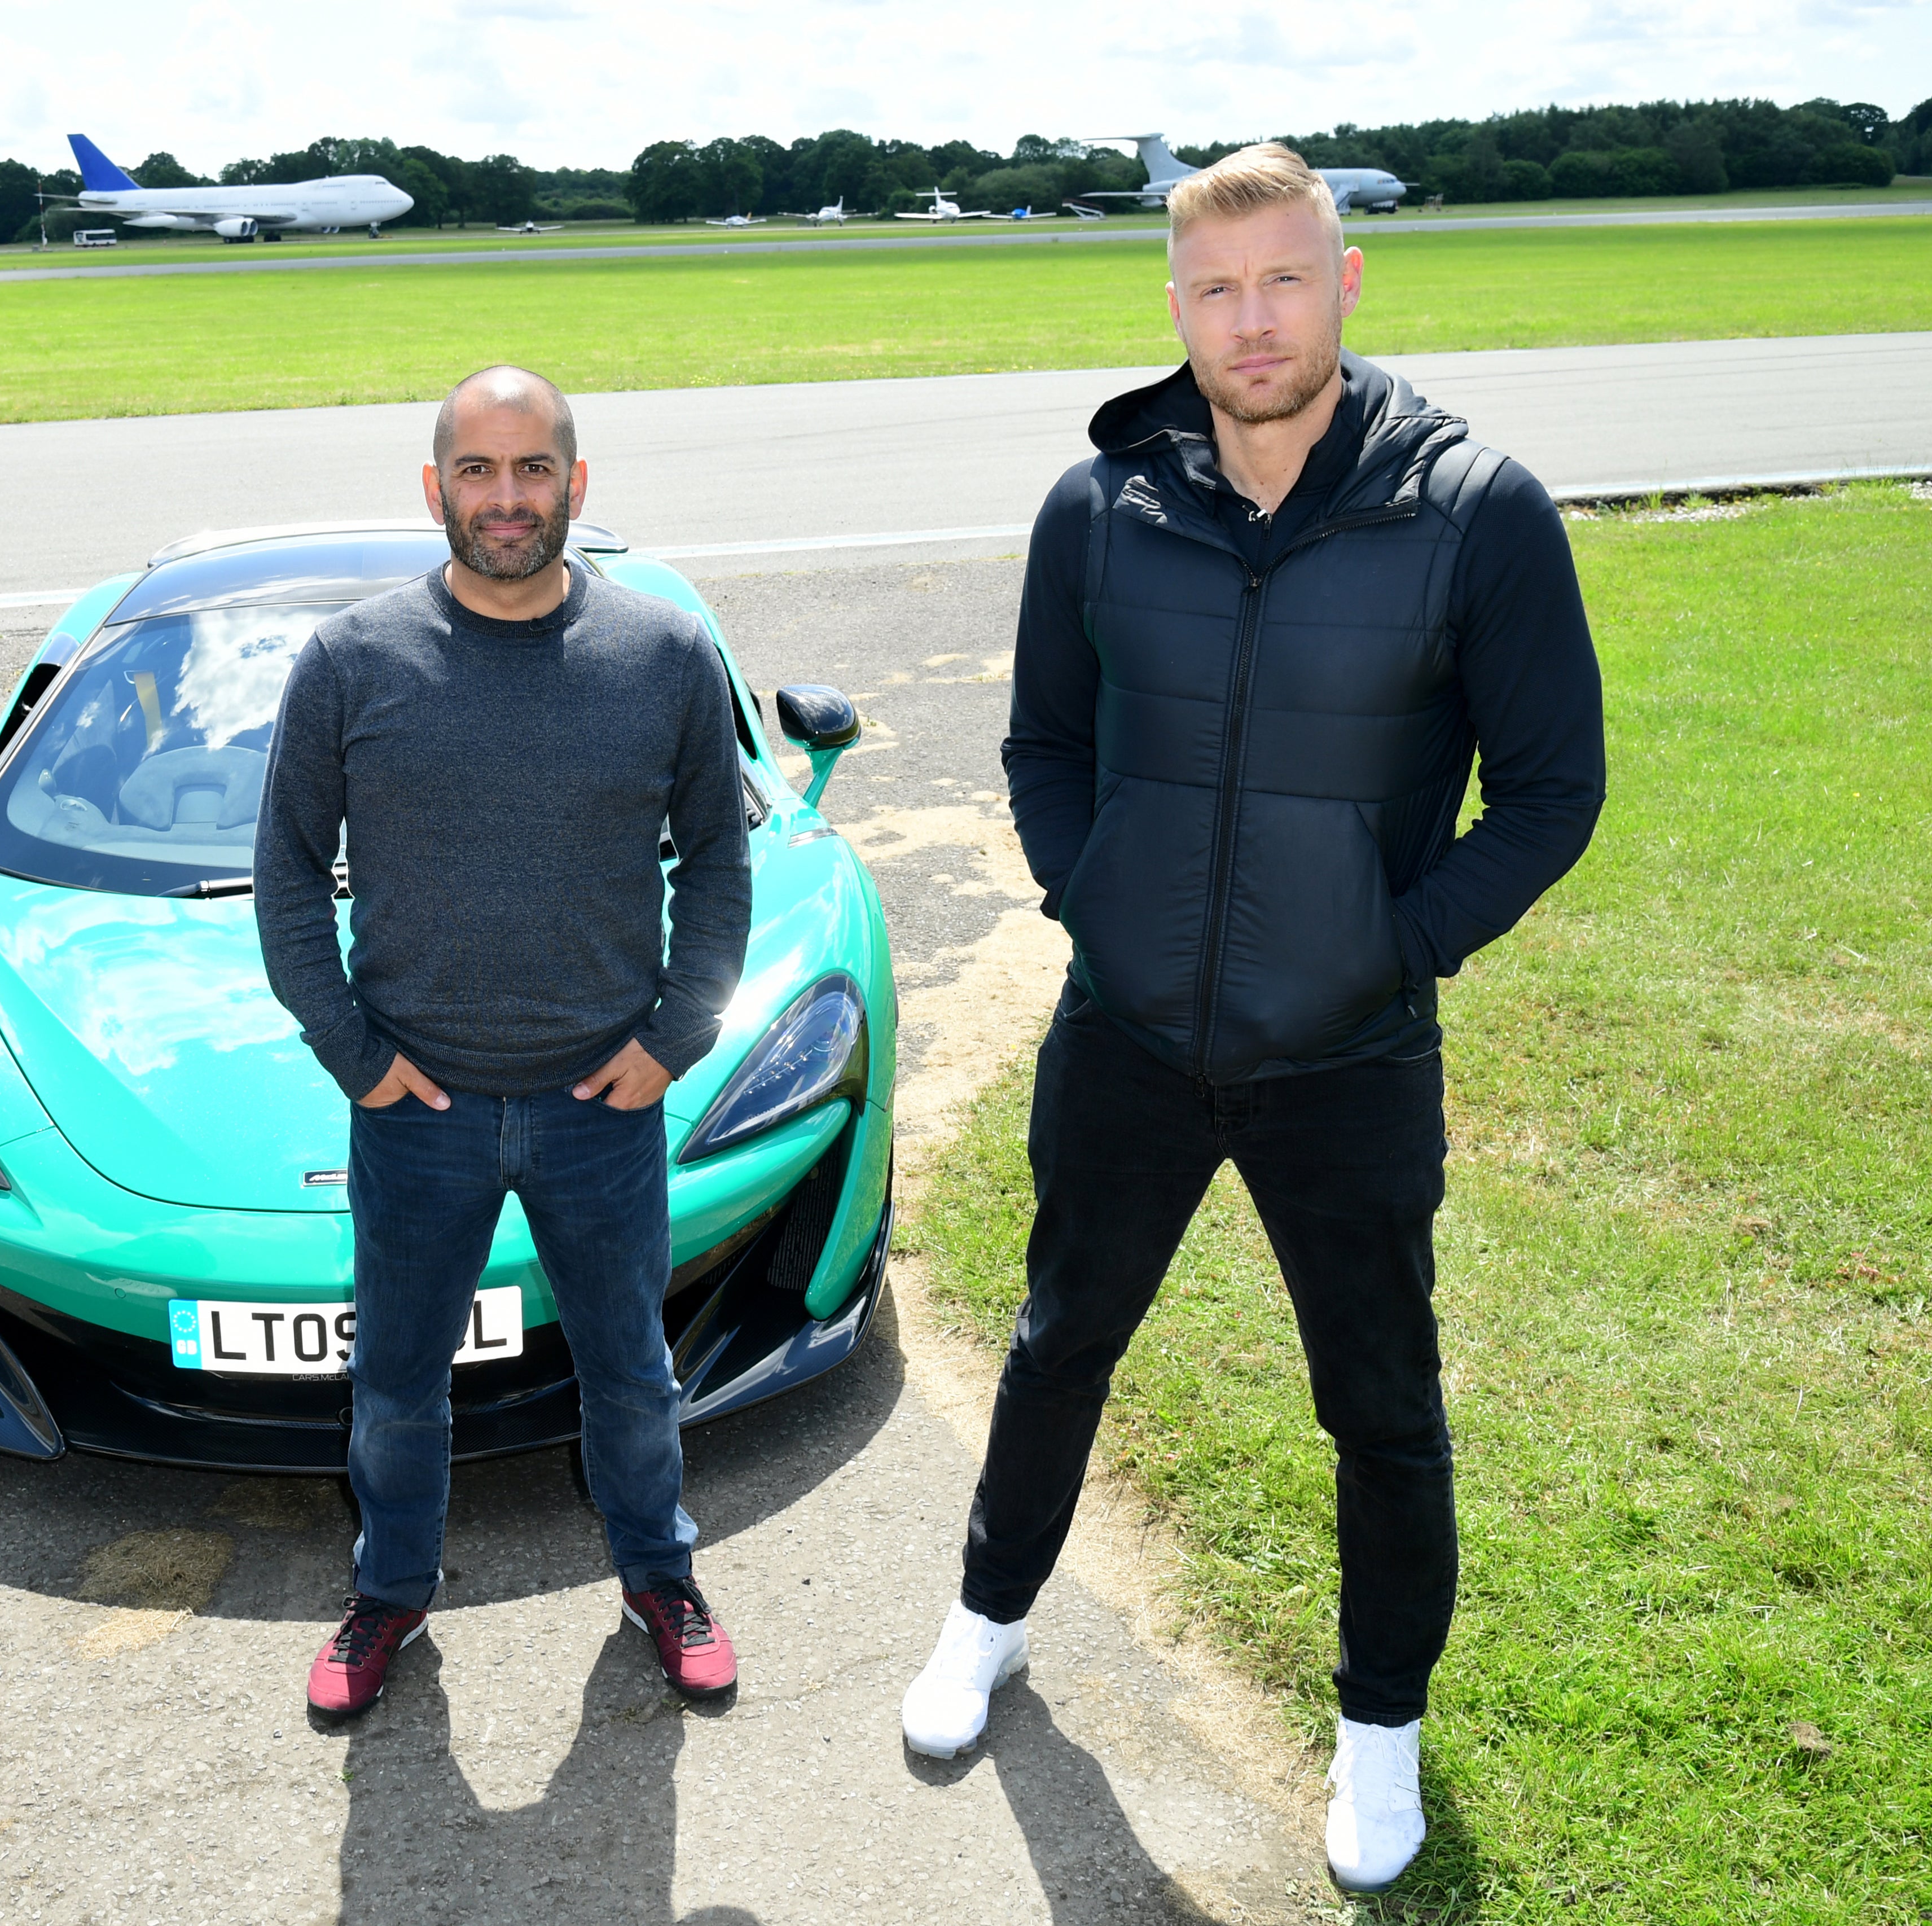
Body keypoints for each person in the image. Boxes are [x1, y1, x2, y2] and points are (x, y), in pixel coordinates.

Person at [898, 146, 1606, 1894]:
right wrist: (1097, 898)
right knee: (1064, 1337)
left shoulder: (1475, 509)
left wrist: (1392, 946)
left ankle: (1380, 1729)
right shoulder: (1102, 502)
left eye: (1283, 279)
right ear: (1175, 306)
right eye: (1216, 289)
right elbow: (1047, 749)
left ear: (1347, 283)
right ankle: (988, 1617)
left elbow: (1550, 789)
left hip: (1347, 1055)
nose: (1252, 319)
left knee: (1380, 1398)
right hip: (1128, 1034)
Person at [255, 367, 755, 1717]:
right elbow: (288, 874)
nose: (506, 497)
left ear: (575, 486)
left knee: (631, 1376)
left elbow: (718, 859)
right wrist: (353, 1053)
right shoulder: (353, 660)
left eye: (532, 469)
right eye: (478, 471)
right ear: (437, 492)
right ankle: (389, 1595)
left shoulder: (660, 655)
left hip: (605, 1103)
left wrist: (676, 1037)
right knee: (400, 1384)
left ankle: (662, 1574)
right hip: (417, 1109)